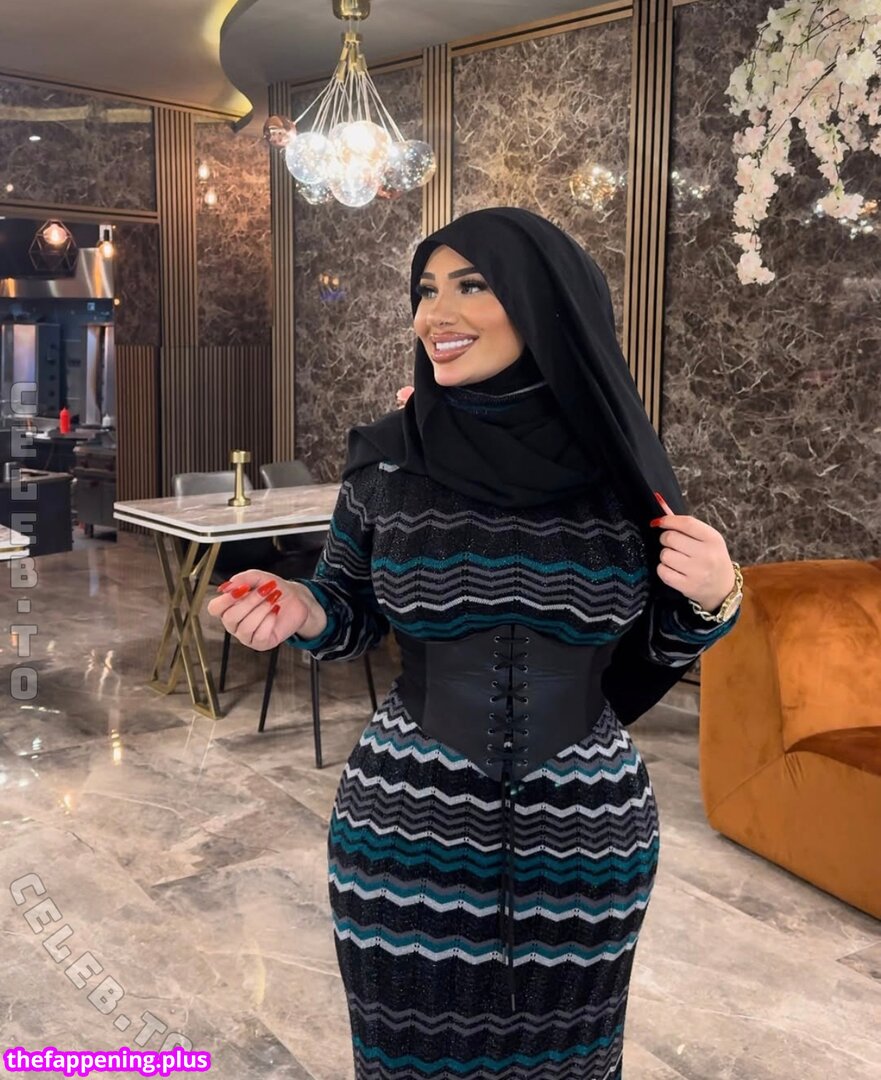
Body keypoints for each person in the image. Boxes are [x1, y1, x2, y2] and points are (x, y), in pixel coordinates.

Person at [206, 207, 743, 1080]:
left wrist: (716, 595)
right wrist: (300, 607)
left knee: (570, 1060)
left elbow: (659, 647)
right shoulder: (388, 462)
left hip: (588, 848)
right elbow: (346, 605)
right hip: (402, 834)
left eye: (471, 285)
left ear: (544, 301)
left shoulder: (621, 472)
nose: (435, 315)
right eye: (425, 291)